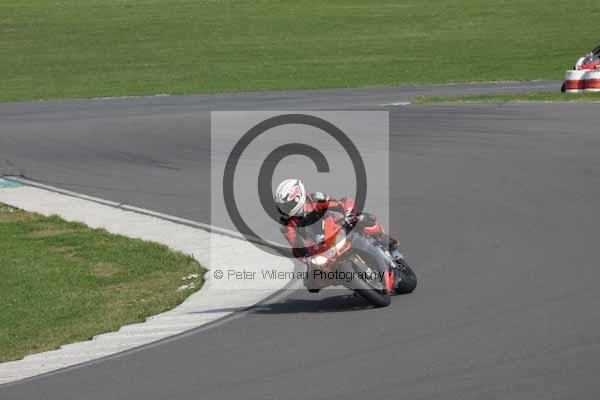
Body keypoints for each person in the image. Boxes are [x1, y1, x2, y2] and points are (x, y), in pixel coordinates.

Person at [274, 178, 404, 290]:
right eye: (281, 206)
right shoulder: (286, 224)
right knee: (311, 282)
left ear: (297, 198)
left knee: (364, 220)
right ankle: (353, 283)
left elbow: (342, 203)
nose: (284, 209)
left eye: (286, 205)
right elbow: (296, 246)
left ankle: (384, 240)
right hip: (319, 247)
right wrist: (307, 259)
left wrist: (349, 214)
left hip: (338, 228)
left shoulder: (315, 199)